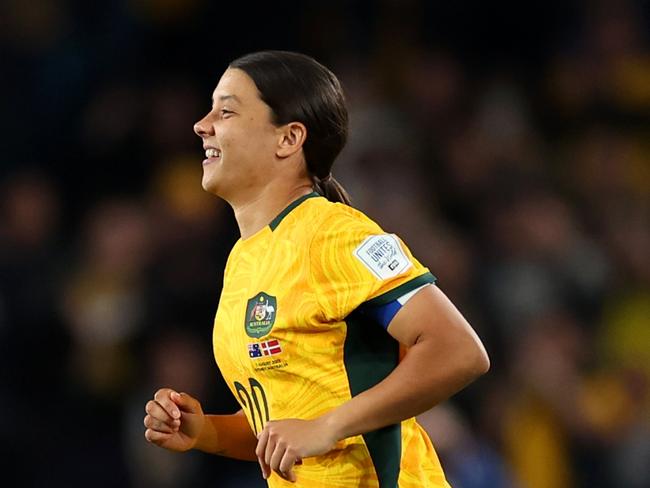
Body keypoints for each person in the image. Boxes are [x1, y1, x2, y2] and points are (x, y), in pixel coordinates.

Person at [143, 50, 490, 487]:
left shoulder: (333, 234)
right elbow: (287, 425)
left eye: (226, 110)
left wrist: (329, 426)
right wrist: (204, 432)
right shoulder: (244, 259)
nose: (202, 123)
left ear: (288, 139)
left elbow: (459, 350)